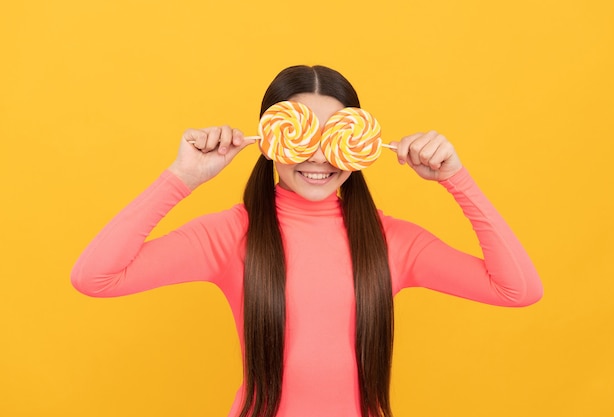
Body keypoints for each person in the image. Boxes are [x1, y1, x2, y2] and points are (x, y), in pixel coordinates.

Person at [71, 64, 543, 417]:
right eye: (300, 135)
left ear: (359, 142)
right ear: (270, 138)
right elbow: (95, 277)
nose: (318, 156)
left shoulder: (391, 241)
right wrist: (182, 177)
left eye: (334, 134)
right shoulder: (233, 233)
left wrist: (455, 178)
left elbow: (518, 289)